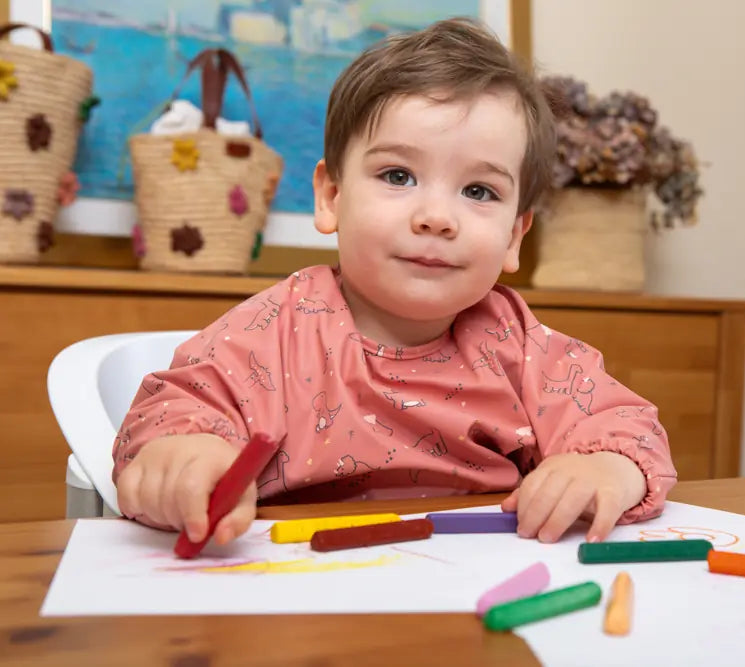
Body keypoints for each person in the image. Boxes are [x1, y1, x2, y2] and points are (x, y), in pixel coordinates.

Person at [113, 17, 676, 549]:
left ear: (514, 236)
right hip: (301, 591)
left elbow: (624, 424)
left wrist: (605, 467)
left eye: (479, 191)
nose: (437, 216)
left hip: (471, 594)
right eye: (397, 176)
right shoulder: (274, 330)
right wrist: (186, 454)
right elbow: (174, 407)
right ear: (331, 197)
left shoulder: (522, 348)